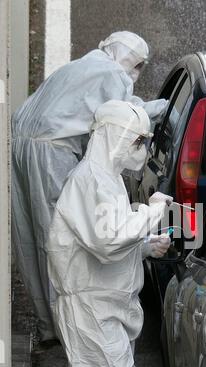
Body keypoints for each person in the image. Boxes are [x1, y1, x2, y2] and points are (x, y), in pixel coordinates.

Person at [12, 31, 168, 343]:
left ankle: (47, 324)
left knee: (28, 234)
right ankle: (64, 326)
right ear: (127, 58)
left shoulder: (80, 65)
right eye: (137, 65)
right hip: (51, 151)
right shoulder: (112, 73)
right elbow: (121, 115)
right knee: (58, 234)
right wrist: (161, 109)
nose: (135, 73)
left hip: (18, 145)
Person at [47, 100, 173, 367]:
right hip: (92, 314)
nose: (142, 150)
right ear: (112, 138)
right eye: (136, 141)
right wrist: (153, 211)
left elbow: (102, 242)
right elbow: (109, 239)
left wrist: (145, 247)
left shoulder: (107, 179)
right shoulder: (91, 181)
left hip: (105, 311)